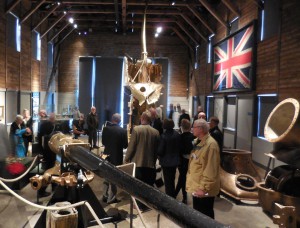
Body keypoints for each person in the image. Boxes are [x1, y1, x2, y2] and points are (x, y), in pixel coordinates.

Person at [124, 111, 160, 210]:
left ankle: (139, 205)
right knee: (148, 185)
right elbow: (157, 149)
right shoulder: (156, 132)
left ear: (142, 118)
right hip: (150, 164)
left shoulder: (136, 130)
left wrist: (126, 159)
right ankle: (147, 204)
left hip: (137, 163)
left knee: (138, 186)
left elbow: (132, 147)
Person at [186, 119, 220, 219]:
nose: (192, 129)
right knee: (198, 215)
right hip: (197, 186)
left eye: (194, 127)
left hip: (204, 190)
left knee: (205, 216)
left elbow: (211, 170)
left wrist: (203, 188)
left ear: (200, 129)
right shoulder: (198, 142)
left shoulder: (211, 145)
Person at [102, 113, 128, 204]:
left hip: (106, 155)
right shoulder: (123, 131)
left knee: (106, 176)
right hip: (117, 156)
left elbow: (103, 142)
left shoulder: (105, 129)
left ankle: (104, 195)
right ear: (119, 121)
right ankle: (111, 198)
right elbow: (125, 146)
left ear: (112, 119)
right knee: (114, 177)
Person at [157, 118, 182, 198]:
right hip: (175, 161)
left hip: (166, 162)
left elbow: (160, 150)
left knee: (168, 182)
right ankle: (172, 196)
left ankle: (169, 199)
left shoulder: (163, 136)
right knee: (172, 179)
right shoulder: (177, 134)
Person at [175, 119, 194, 203]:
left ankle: (180, 196)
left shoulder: (180, 137)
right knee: (182, 178)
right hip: (191, 161)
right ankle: (183, 196)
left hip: (182, 161)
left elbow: (179, 150)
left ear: (182, 127)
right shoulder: (193, 137)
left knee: (182, 178)